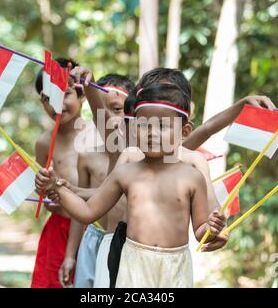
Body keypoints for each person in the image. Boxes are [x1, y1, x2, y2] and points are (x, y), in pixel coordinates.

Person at [36, 83, 227, 287]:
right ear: (134, 128)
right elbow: (87, 211)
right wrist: (56, 189)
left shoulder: (192, 177)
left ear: (185, 131)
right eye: (144, 125)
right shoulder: (126, 173)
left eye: (162, 126)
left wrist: (211, 228)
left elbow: (200, 231)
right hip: (132, 267)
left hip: (175, 269)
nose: (152, 133)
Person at [59, 74, 135, 288]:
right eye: (103, 109)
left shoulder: (139, 155)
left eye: (117, 109)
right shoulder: (87, 155)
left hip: (127, 241)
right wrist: (70, 255)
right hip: (93, 238)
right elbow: (82, 210)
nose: (111, 117)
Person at [31, 58, 92, 288]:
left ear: (82, 95)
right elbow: (42, 190)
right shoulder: (44, 143)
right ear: (42, 101)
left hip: (91, 230)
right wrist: (47, 198)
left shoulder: (97, 136)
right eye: (49, 98)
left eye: (65, 94)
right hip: (58, 229)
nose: (57, 104)